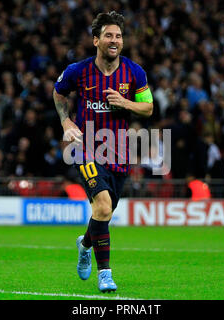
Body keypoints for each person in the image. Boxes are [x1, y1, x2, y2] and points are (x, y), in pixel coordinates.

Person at [53, 11, 153, 293]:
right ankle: (105, 274)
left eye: (119, 36)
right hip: (85, 148)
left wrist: (125, 103)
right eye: (109, 35)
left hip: (119, 153)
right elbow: (58, 92)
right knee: (104, 206)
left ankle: (85, 245)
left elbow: (148, 107)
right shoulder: (78, 71)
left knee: (102, 212)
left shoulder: (134, 72)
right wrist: (66, 120)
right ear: (96, 40)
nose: (114, 40)